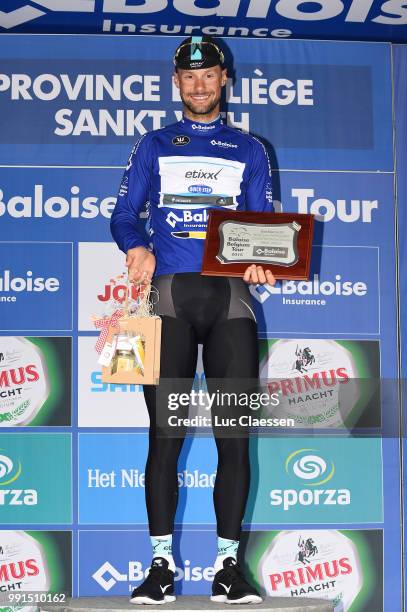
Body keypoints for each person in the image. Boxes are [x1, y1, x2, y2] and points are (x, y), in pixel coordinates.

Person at [111, 35, 276, 605]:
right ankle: (160, 568)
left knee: (235, 441)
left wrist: (265, 261)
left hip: (231, 302)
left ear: (224, 80)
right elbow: (123, 214)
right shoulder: (153, 144)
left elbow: (265, 226)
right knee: (165, 437)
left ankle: (228, 569)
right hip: (169, 301)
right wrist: (137, 246)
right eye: (190, 76)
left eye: (210, 76)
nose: (200, 85)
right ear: (177, 81)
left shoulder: (250, 149)